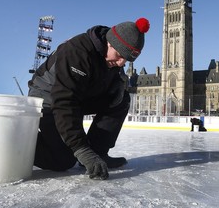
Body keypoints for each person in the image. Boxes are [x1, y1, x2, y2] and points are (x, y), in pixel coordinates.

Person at [28, 17, 150, 180]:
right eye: (119, 55)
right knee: (63, 160)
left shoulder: (111, 59)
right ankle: (16, 140)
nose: (121, 63)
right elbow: (65, 102)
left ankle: (99, 152)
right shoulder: (78, 51)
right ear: (110, 43)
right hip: (47, 99)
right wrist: (82, 150)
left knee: (121, 98)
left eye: (126, 60)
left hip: (79, 97)